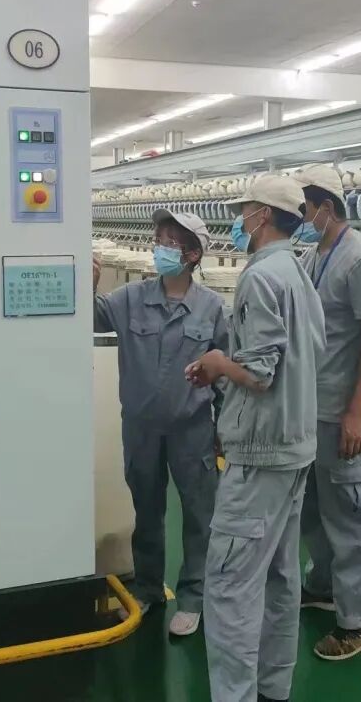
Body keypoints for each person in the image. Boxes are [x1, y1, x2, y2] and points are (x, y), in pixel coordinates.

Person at [185, 175, 325, 702]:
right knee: (279, 578)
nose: (238, 220)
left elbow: (260, 372)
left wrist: (219, 363)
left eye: (243, 211)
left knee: (229, 584)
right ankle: (272, 689)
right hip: (294, 446)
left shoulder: (262, 276)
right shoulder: (299, 272)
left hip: (262, 453)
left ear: (263, 215)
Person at [93, 211, 229, 637]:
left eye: (169, 242)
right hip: (141, 427)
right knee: (147, 510)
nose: (159, 249)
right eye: (158, 240)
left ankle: (194, 597)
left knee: (199, 514)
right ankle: (149, 588)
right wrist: (86, 286)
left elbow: (224, 372)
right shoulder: (130, 298)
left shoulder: (212, 308)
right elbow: (91, 318)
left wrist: (224, 428)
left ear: (192, 254)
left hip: (192, 429)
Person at [292, 164, 361, 661]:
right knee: (315, 510)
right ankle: (325, 586)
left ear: (326, 208)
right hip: (313, 411)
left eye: (304, 210)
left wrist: (357, 412)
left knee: (352, 515)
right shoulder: (313, 255)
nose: (300, 219)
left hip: (341, 414)